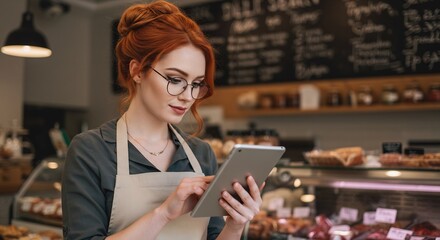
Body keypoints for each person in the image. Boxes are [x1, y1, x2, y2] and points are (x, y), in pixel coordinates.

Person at [61, 1, 264, 239]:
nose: (188, 96)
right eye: (175, 79)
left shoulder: (201, 155)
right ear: (137, 71)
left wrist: (236, 225)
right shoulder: (91, 150)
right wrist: (164, 213)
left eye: (196, 84)